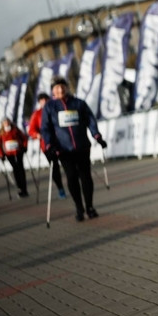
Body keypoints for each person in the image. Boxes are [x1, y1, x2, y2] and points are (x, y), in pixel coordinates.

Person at [41, 76, 107, 221]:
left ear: (67, 87)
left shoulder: (78, 103)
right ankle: (79, 208)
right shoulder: (50, 107)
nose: (60, 89)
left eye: (62, 86)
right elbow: (45, 128)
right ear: (53, 91)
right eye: (57, 87)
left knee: (86, 177)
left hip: (82, 147)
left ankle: (89, 207)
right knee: (71, 177)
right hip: (64, 150)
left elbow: (90, 120)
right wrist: (49, 145)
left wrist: (97, 136)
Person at [28, 92, 67, 199]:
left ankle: (72, 184)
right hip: (47, 145)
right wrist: (37, 135)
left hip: (61, 142)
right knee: (54, 167)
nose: (44, 102)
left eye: (46, 100)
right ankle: (60, 188)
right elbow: (31, 130)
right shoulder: (37, 114)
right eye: (42, 101)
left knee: (67, 164)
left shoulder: (56, 109)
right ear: (39, 102)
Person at [0, 117, 29, 197]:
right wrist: (1, 154)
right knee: (15, 169)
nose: (6, 123)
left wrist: (25, 146)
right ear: (2, 124)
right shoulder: (1, 133)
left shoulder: (15, 129)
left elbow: (24, 138)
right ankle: (19, 187)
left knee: (21, 169)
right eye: (5, 122)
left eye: (7, 122)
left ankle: (24, 188)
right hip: (9, 154)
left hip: (18, 152)